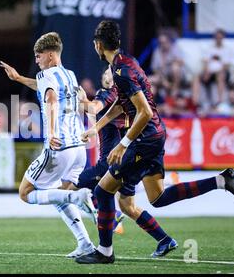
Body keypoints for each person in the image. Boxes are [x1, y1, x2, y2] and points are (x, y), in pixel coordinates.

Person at [75, 20, 234, 264]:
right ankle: (221, 180)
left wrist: (123, 144)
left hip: (144, 139)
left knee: (103, 191)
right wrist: (96, 127)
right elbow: (121, 105)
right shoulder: (127, 63)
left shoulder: (121, 72)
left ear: (98, 45)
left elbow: (143, 112)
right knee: (158, 197)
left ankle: (104, 252)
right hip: (155, 134)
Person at [0, 32, 96, 258]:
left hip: (59, 147)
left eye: (39, 55)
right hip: (78, 150)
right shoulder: (70, 75)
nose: (36, 60)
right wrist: (19, 78)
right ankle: (85, 244)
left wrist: (51, 131)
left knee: (25, 192)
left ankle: (77, 197)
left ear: (51, 56)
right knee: (58, 197)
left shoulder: (46, 75)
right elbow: (44, 87)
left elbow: (50, 99)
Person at [77, 68, 180, 250]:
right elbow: (95, 112)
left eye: (109, 72)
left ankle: (105, 232)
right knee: (128, 206)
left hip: (113, 159)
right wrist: (84, 103)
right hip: (127, 156)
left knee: (79, 182)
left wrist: (81, 100)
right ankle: (164, 239)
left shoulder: (109, 93)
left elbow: (94, 108)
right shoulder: (121, 95)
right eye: (106, 72)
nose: (107, 74)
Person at [192, 29, 233, 114]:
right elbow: (206, 62)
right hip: (210, 72)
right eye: (217, 37)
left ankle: (220, 101)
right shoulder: (209, 48)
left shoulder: (227, 50)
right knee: (196, 77)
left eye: (220, 37)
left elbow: (226, 66)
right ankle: (195, 102)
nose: (218, 38)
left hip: (221, 72)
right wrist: (207, 71)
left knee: (220, 74)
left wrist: (214, 71)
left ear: (223, 37)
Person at [150, 32, 185, 96]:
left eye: (164, 42)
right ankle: (150, 103)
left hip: (175, 75)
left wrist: (171, 61)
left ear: (168, 41)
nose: (162, 44)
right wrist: (163, 81)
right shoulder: (157, 52)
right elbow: (154, 69)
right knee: (148, 80)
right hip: (162, 76)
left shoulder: (174, 48)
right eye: (160, 43)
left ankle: (175, 90)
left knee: (175, 67)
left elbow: (182, 62)